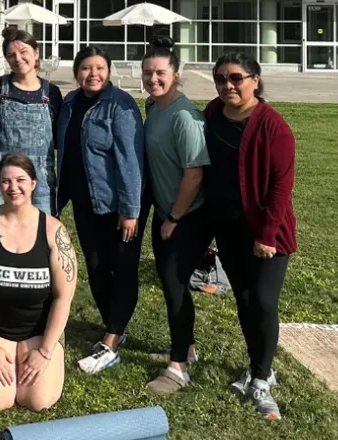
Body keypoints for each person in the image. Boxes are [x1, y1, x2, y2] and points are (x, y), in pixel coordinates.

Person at [203, 52, 295, 420]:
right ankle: (260, 365)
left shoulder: (273, 126)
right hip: (228, 227)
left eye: (236, 78)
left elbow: (281, 187)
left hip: (267, 233)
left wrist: (267, 235)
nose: (228, 85)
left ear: (255, 80)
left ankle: (260, 379)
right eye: (221, 79)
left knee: (263, 301)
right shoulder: (212, 113)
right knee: (243, 299)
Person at [0, 153, 76, 412]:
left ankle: (42, 352)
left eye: (20, 180)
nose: (13, 188)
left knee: (37, 400)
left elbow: (63, 297)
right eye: (5, 181)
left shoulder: (54, 231)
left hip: (40, 333)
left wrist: (45, 351)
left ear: (33, 183)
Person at [55, 46, 146, 374]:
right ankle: (115, 326)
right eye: (85, 68)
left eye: (99, 68)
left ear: (108, 71)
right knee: (95, 267)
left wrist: (131, 209)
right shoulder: (68, 104)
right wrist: (55, 203)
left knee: (122, 268)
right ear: (76, 71)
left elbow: (130, 159)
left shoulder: (119, 105)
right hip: (85, 203)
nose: (92, 74)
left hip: (119, 205)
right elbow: (64, 159)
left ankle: (110, 342)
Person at [137, 37, 212, 394]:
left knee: (175, 287)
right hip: (168, 213)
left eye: (161, 73)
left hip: (188, 217)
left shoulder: (185, 117)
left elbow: (194, 174)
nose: (153, 79)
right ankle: (187, 348)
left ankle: (178, 368)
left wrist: (175, 218)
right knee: (172, 288)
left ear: (176, 74)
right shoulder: (155, 108)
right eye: (148, 73)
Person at [0, 28, 63, 216]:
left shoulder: (51, 93)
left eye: (23, 52)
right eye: (11, 55)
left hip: (41, 180)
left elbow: (58, 138)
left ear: (36, 52)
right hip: (1, 178)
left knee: (42, 231)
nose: (17, 58)